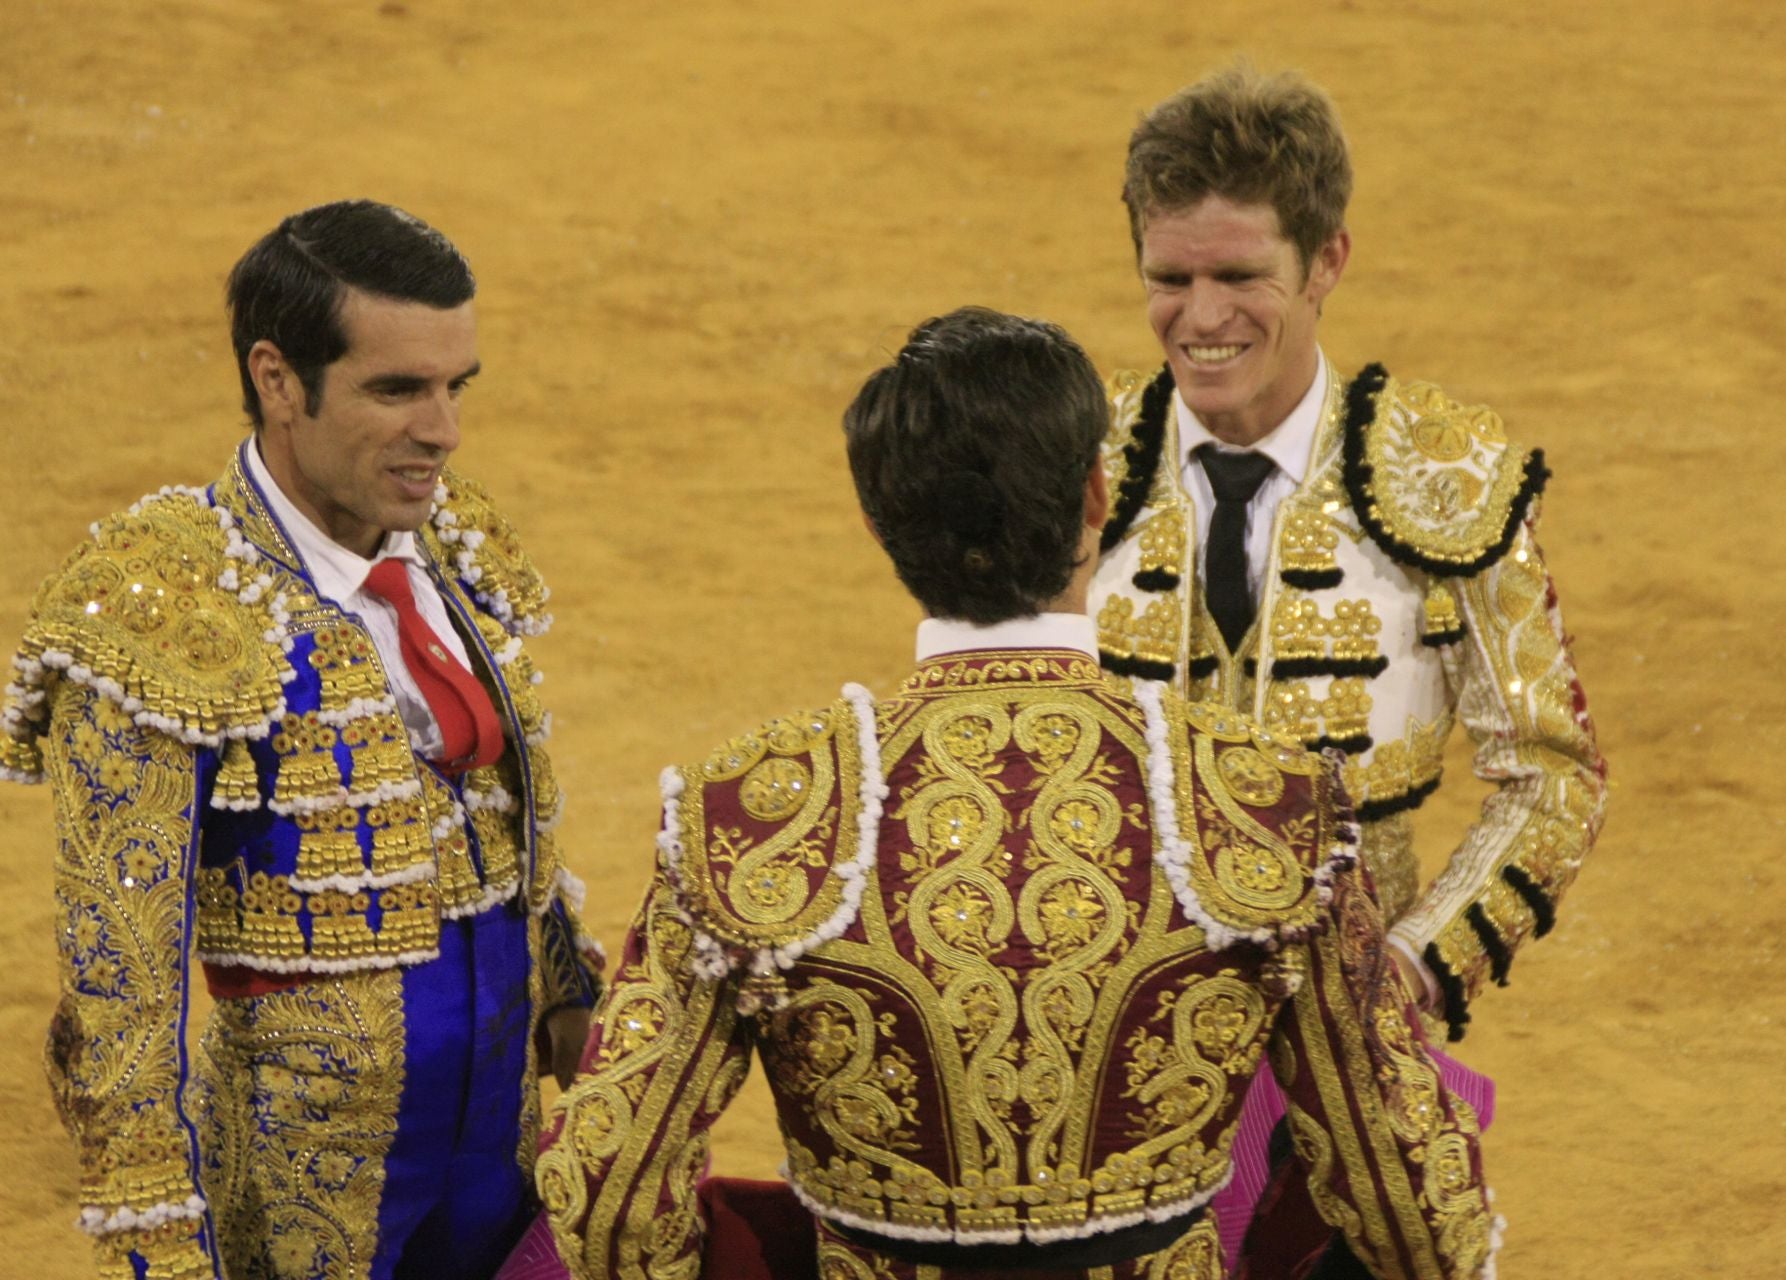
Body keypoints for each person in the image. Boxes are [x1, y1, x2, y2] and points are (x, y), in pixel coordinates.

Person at [536, 307, 1496, 1280]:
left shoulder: (753, 817)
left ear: (879, 521)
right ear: (1096, 490)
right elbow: (1411, 1190)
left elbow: (609, 1191)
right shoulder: (1265, 802)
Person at [0, 200, 604, 1280]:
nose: (443, 432)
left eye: (453, 387)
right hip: (301, 1184)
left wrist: (567, 986)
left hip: (498, 1145)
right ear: (279, 379)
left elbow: (513, 806)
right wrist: (158, 1251)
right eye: (396, 390)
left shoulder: (449, 540)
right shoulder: (160, 606)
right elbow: (120, 993)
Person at [1093, 67, 1609, 1271]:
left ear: (1327, 261)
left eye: (1239, 278)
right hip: (1103, 1059)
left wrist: (1417, 966)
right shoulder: (1077, 460)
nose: (1199, 317)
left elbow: (1551, 771)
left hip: (1346, 1072)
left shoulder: (1443, 481)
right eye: (1169, 278)